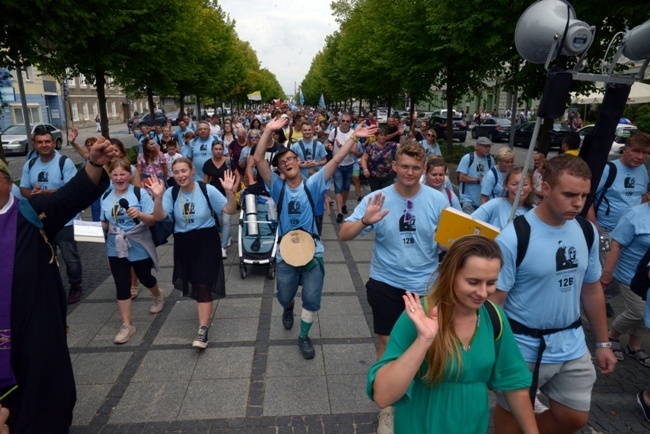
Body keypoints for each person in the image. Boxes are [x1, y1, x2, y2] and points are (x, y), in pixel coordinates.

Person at [491, 154, 617, 434]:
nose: (578, 203)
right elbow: (494, 302)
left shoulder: (586, 231)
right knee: (510, 419)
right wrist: (490, 351)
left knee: (575, 418)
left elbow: (591, 287)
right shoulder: (514, 237)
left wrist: (603, 343)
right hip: (522, 347)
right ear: (545, 189)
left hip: (571, 344)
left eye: (585, 195)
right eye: (570, 194)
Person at [0, 137, 115, 433]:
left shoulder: (29, 212)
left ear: (4, 180)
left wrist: (93, 163)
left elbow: (70, 197)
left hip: (35, 321)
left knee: (42, 380)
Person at [367, 236, 537, 434]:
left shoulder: (494, 317)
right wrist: (423, 341)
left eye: (491, 282)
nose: (483, 292)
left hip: (472, 426)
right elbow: (383, 395)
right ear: (450, 275)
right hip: (422, 425)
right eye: (473, 282)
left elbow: (514, 383)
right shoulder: (418, 316)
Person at [253, 116, 377, 360]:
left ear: (298, 162)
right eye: (282, 162)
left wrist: (353, 136)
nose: (287, 163)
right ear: (279, 169)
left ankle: (304, 336)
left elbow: (338, 158)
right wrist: (267, 130)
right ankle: (288, 307)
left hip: (313, 252)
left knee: (311, 298)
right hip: (285, 253)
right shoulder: (276, 186)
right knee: (284, 295)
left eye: (290, 159)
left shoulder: (314, 183)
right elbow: (258, 159)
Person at [150, 159, 236, 349]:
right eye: (176, 172)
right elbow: (159, 217)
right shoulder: (171, 193)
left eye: (184, 171)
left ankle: (202, 330)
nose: (180, 175)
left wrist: (229, 192)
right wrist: (157, 198)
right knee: (196, 282)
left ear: (192, 170)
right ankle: (204, 312)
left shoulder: (206, 190)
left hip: (206, 240)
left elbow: (230, 210)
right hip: (184, 242)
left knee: (204, 284)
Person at [101, 159, 165, 344]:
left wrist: (139, 215)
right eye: (115, 175)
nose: (119, 178)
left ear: (130, 175)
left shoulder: (140, 194)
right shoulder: (106, 196)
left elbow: (152, 220)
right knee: (122, 284)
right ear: (110, 177)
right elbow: (104, 221)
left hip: (138, 242)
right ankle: (127, 325)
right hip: (115, 245)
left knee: (144, 277)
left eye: (123, 174)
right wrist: (95, 228)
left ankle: (157, 294)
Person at [586, 132, 650, 316]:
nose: (640, 156)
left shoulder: (643, 170)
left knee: (623, 272)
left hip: (632, 232)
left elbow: (643, 196)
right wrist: (595, 225)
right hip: (607, 231)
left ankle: (604, 298)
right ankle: (595, 302)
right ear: (625, 149)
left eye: (645, 152)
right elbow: (589, 198)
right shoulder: (609, 169)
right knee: (607, 270)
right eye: (636, 151)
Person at [19, 128, 85, 304]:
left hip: (65, 220)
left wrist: (45, 193)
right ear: (34, 144)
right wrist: (32, 193)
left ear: (54, 143)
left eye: (47, 141)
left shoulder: (65, 162)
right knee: (45, 256)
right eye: (40, 142)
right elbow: (23, 188)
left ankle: (75, 285)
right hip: (40, 220)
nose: (44, 145)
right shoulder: (30, 164)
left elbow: (72, 191)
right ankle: (50, 287)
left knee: (70, 256)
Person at [601, 202, 650, 365]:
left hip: (648, 277)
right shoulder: (634, 215)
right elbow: (615, 243)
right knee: (639, 312)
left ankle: (634, 346)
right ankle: (612, 335)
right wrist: (606, 273)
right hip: (630, 274)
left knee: (648, 313)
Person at [203, 141, 240, 258]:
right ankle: (227, 235)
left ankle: (222, 247)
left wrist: (235, 186)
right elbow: (205, 180)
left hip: (227, 194)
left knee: (227, 220)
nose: (218, 151)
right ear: (212, 150)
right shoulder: (208, 164)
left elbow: (237, 175)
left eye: (220, 149)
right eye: (216, 149)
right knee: (220, 220)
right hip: (215, 196)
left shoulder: (229, 161)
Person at [326, 113, 356, 223]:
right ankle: (339, 212)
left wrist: (342, 147)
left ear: (351, 122)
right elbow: (328, 143)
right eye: (343, 121)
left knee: (346, 188)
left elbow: (355, 150)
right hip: (337, 164)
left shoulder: (353, 133)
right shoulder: (334, 131)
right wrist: (329, 145)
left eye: (347, 121)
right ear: (340, 121)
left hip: (349, 164)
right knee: (338, 188)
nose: (345, 123)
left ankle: (343, 204)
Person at [457, 136, 495, 214]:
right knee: (470, 223)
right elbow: (461, 178)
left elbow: (494, 176)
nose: (488, 149)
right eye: (485, 146)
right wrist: (478, 180)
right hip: (467, 199)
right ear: (477, 146)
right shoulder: (467, 158)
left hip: (483, 199)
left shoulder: (490, 159)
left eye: (489, 146)